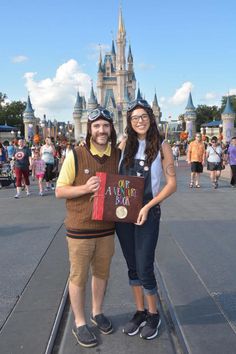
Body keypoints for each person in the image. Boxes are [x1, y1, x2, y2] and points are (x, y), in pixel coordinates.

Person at [55, 107, 120, 348]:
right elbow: (60, 190)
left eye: (105, 125)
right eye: (97, 126)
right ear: (89, 129)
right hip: (80, 229)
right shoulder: (75, 155)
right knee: (79, 275)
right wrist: (85, 188)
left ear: (111, 128)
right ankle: (80, 322)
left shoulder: (117, 154)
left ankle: (97, 312)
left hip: (106, 228)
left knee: (102, 273)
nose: (101, 130)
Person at [115, 99, 177, 340]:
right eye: (134, 118)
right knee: (132, 266)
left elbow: (171, 185)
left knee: (144, 266)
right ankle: (140, 311)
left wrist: (149, 206)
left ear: (151, 119)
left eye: (144, 116)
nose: (139, 121)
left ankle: (154, 315)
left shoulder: (162, 146)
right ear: (129, 123)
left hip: (147, 212)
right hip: (123, 213)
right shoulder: (124, 145)